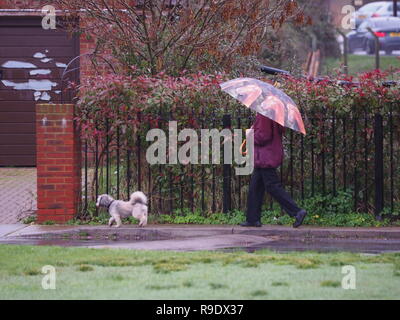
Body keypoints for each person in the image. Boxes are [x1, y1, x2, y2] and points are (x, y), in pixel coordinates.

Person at [240, 113, 307, 228]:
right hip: (266, 156)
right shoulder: (274, 114)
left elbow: (263, 136)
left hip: (265, 156)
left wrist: (250, 135)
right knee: (255, 187)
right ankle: (252, 219)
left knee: (273, 186)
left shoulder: (264, 113)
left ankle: (297, 212)